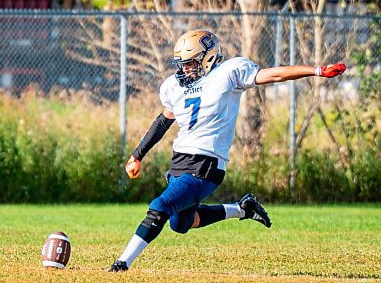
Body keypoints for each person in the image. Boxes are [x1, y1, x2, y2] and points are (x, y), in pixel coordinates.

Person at [109, 29, 346, 272]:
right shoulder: (173, 86)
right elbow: (163, 121)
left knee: (159, 206)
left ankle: (122, 264)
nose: (185, 70)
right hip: (179, 162)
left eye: (191, 64)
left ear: (208, 57)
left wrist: (316, 70)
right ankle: (242, 209)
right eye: (182, 65)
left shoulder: (229, 73)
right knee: (181, 223)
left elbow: (274, 74)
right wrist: (138, 154)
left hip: (207, 164)